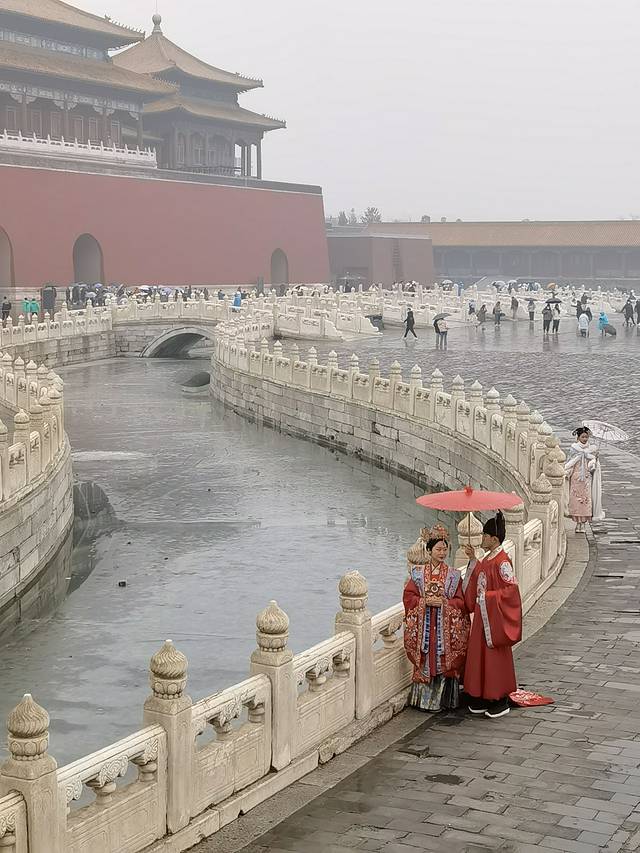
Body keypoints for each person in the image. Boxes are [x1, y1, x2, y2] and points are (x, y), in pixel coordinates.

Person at [403, 525, 470, 712]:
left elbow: (461, 602)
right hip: (425, 626)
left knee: (442, 659)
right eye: (438, 549)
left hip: (443, 628)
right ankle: (423, 701)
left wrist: (444, 604)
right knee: (426, 657)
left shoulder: (453, 576)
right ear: (429, 550)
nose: (442, 553)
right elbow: (408, 598)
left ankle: (443, 700)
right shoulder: (418, 574)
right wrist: (424, 602)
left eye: (445, 549)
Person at [462, 511, 522, 719]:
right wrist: (473, 559)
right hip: (483, 615)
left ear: (494, 539)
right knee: (479, 655)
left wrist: (487, 598)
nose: (482, 539)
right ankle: (481, 694)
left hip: (494, 619)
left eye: (485, 536)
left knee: (494, 657)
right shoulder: (489, 558)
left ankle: (499, 698)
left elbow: (511, 592)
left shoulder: (502, 562)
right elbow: (481, 574)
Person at [565, 427, 604, 531]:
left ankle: (583, 524)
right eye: (583, 437)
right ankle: (577, 523)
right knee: (576, 500)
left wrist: (595, 461)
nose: (585, 439)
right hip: (576, 478)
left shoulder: (591, 450)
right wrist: (567, 472)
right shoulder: (574, 449)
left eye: (586, 437)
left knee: (586, 501)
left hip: (586, 478)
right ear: (578, 437)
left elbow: (592, 467)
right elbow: (570, 463)